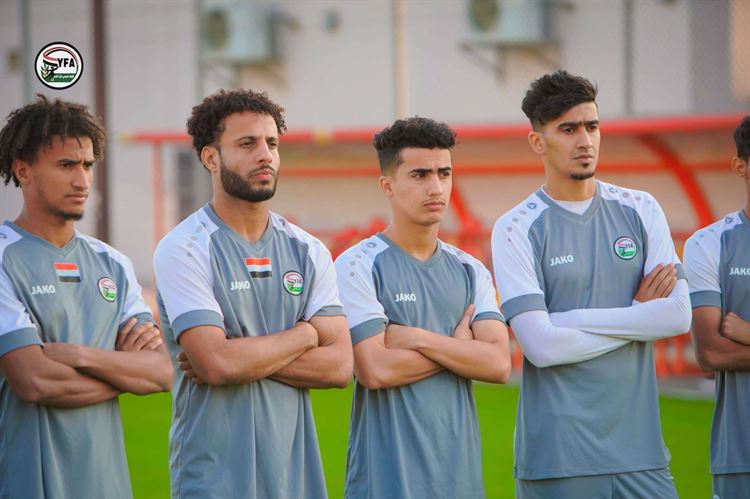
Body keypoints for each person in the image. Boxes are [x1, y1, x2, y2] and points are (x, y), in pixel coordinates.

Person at [490, 71, 691, 498]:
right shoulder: (515, 228)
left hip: (643, 456)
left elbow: (676, 316)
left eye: (592, 126)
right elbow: (542, 348)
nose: (585, 141)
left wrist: (570, 319)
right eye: (569, 129)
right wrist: (638, 317)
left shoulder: (641, 208)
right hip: (559, 459)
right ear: (538, 142)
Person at [154, 88, 353, 499]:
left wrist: (237, 355)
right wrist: (307, 334)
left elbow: (338, 368)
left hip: (296, 478)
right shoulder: (184, 248)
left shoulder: (309, 250)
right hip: (214, 480)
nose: (265, 155)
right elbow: (216, 365)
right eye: (247, 144)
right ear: (211, 158)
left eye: (272, 144)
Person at [0, 95, 172, 499]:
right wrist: (122, 374)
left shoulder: (113, 263)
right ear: (23, 171)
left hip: (108, 485)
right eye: (66, 165)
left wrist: (78, 356)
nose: (82, 181)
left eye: (87, 165)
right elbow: (35, 380)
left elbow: (161, 373)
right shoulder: (5, 259)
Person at [335, 116, 511, 499]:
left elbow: (499, 364)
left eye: (444, 173)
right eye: (420, 175)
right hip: (385, 485)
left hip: (461, 484)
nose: (436, 187)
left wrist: (418, 338)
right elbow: (374, 369)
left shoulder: (471, 270)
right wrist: (460, 349)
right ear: (387, 185)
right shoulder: (356, 265)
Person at [683, 115, 750, 499]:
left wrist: (746, 333)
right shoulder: (709, 244)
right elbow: (711, 352)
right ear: (740, 167)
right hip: (740, 455)